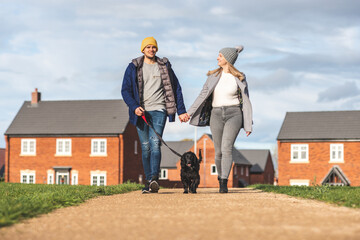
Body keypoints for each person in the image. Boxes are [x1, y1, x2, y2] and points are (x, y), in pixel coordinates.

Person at [121, 37, 189, 194]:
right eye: (148, 47)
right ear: (143, 49)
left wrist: (182, 110)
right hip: (141, 112)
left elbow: (176, 88)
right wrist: (134, 107)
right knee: (145, 148)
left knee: (155, 144)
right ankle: (148, 181)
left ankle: (154, 179)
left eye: (154, 47)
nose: (151, 49)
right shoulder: (133, 67)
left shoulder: (164, 67)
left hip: (159, 110)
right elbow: (125, 91)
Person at [185, 45, 253, 193]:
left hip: (234, 114)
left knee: (226, 148)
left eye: (220, 56)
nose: (217, 58)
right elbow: (202, 96)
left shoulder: (239, 77)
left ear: (227, 59)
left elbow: (246, 100)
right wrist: (189, 113)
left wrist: (248, 123)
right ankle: (220, 177)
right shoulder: (213, 76)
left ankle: (223, 181)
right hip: (215, 115)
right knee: (218, 152)